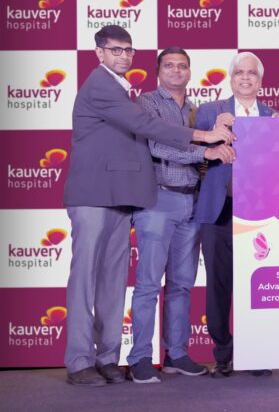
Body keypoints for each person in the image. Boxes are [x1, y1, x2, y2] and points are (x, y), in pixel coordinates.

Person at [63, 25, 233, 387]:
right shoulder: (103, 87)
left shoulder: (128, 92)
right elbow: (147, 130)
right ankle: (79, 361)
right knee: (87, 280)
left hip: (123, 197)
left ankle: (107, 358)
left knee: (113, 282)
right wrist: (204, 139)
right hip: (94, 195)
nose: (123, 56)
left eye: (127, 50)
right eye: (115, 50)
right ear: (99, 53)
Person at [126, 47, 235, 383]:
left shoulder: (195, 110)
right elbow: (158, 146)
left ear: (190, 72)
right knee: (148, 284)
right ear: (158, 71)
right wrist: (206, 150)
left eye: (182, 66)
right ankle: (139, 357)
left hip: (192, 202)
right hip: (158, 200)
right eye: (170, 65)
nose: (176, 71)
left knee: (182, 284)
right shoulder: (147, 103)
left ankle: (176, 353)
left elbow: (209, 154)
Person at [195, 52, 277, 378]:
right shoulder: (209, 112)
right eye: (239, 72)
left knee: (257, 284)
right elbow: (191, 153)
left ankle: (256, 352)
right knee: (218, 283)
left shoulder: (272, 116)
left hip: (260, 214)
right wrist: (213, 133)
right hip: (219, 210)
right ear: (230, 79)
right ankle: (223, 354)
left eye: (251, 73)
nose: (245, 77)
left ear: (260, 81)